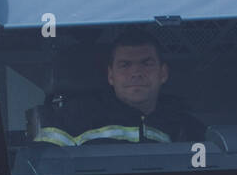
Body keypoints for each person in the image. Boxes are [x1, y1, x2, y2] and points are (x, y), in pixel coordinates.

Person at [34, 29, 206, 145]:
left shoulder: (185, 126)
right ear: (110, 75)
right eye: (125, 65)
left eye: (146, 63)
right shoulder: (71, 119)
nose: (136, 72)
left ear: (163, 73)